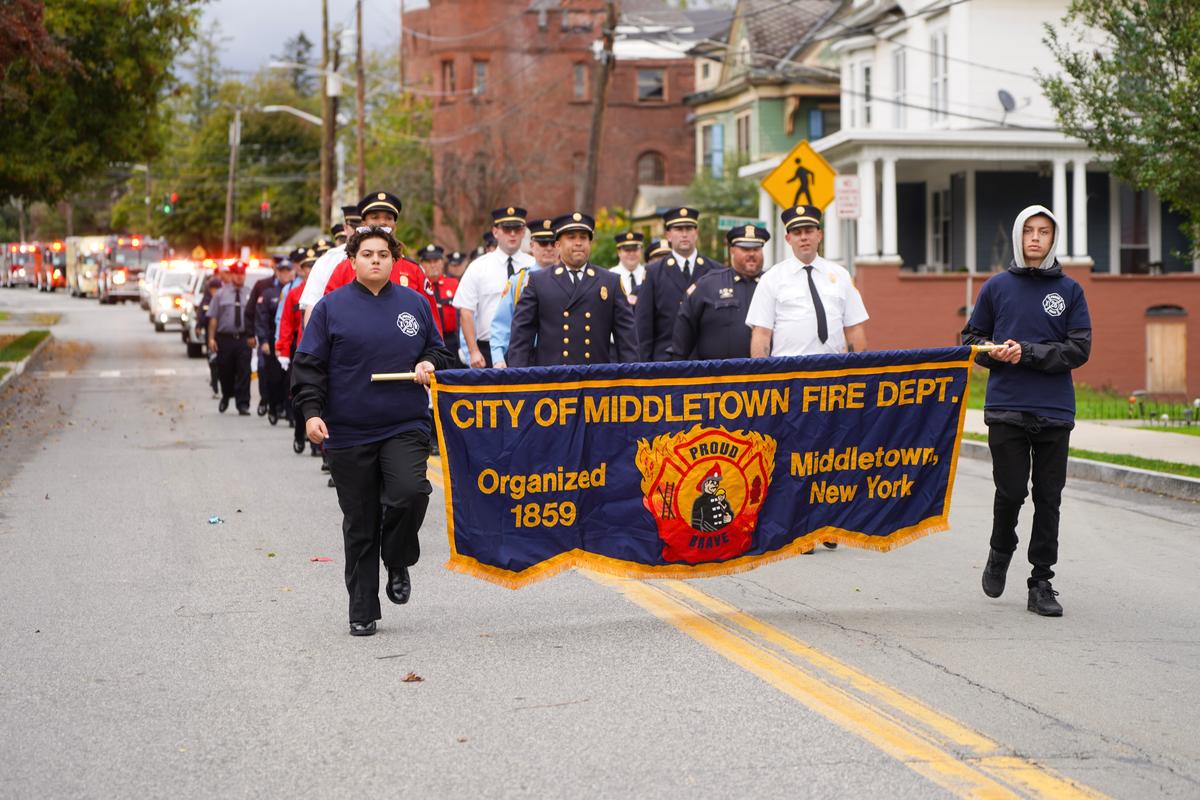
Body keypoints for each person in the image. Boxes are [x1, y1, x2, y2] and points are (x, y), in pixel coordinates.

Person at [292, 226, 456, 637]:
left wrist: (429, 363)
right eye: (367, 254)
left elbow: (439, 349)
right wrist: (312, 413)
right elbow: (309, 366)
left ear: (394, 259)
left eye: (384, 254)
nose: (376, 260)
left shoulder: (415, 303)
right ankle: (363, 608)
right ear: (353, 261)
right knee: (361, 520)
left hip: (404, 422)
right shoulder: (331, 308)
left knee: (410, 493)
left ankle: (397, 558)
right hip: (348, 430)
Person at [961, 205, 1091, 618]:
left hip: (1054, 409)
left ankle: (1041, 581)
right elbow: (971, 339)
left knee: (1049, 497)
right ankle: (1000, 552)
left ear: (1054, 240)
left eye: (1044, 232)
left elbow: (1079, 348)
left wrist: (1028, 352)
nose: (1036, 238)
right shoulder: (996, 287)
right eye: (1029, 231)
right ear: (1019, 237)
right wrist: (993, 352)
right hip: (1006, 408)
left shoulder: (1070, 291)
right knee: (1012, 491)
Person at [746, 205, 869, 554]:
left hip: (832, 377)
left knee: (831, 453)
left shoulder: (839, 275)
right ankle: (801, 526)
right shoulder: (774, 278)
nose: (803, 236)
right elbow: (761, 333)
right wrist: (761, 379)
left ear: (819, 235)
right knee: (794, 455)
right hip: (790, 378)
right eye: (797, 232)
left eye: (809, 230)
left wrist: (863, 372)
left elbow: (855, 328)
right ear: (787, 238)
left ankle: (826, 521)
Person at [506, 212, 638, 367]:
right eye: (571, 237)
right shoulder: (538, 282)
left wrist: (631, 382)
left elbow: (627, 342)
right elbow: (521, 338)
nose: (578, 243)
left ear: (590, 243)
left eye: (583, 237)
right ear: (557, 245)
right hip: (553, 381)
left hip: (596, 382)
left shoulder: (610, 282)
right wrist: (519, 382)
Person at [317, 193, 441, 330]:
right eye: (375, 217)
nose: (382, 222)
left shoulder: (413, 270)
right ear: (364, 223)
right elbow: (326, 316)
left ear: (395, 225)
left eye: (388, 218)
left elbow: (432, 323)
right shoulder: (345, 267)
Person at [635, 207, 722, 361]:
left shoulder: (715, 270)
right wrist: (644, 370)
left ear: (696, 232)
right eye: (678, 229)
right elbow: (644, 327)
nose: (684, 234)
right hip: (665, 362)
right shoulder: (653, 272)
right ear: (668, 235)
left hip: (706, 362)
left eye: (689, 228)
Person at [672, 225, 769, 361]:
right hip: (717, 377)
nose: (751, 254)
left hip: (767, 377)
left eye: (756, 249)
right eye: (745, 249)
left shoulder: (773, 283)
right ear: (732, 251)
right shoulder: (708, 284)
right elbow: (683, 337)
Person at [453, 206, 535, 368]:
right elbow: (466, 312)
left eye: (517, 229)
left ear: (524, 232)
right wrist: (473, 350)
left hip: (528, 348)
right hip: (486, 350)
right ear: (495, 232)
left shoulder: (533, 266)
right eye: (507, 229)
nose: (512, 234)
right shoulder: (478, 267)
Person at [490, 218, 557, 368]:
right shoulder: (519, 280)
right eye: (543, 243)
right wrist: (498, 357)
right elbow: (502, 322)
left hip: (558, 356)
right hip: (526, 357)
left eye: (553, 243)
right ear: (532, 246)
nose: (549, 248)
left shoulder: (569, 280)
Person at [297, 203, 362, 321]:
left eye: (364, 227)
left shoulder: (385, 258)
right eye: (356, 227)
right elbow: (312, 307)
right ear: (346, 228)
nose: (360, 232)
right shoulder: (328, 260)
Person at [206, 262, 254, 415]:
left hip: (243, 339)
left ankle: (243, 404)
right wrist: (211, 339)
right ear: (231, 275)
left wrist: (253, 336)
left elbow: (254, 317)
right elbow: (213, 318)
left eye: (242, 274)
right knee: (225, 371)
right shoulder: (221, 294)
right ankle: (226, 395)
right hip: (225, 339)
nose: (240, 277)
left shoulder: (249, 293)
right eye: (237, 274)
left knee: (244, 371)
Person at [254, 257, 296, 424]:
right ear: (277, 272)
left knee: (289, 378)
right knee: (274, 378)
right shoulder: (269, 293)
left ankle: (289, 411)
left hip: (291, 340)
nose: (285, 274)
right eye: (282, 271)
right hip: (273, 340)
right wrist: (263, 340)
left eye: (288, 270)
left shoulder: (297, 290)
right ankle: (273, 406)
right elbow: (261, 319)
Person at [418, 243, 462, 364]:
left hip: (453, 340)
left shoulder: (454, 284)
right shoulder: (419, 286)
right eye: (428, 261)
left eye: (436, 260)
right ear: (421, 264)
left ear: (442, 262)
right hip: (430, 341)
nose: (433, 265)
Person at [195, 275, 223, 397]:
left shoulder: (223, 299)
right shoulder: (206, 301)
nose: (214, 291)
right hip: (210, 336)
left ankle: (224, 385)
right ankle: (215, 386)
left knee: (223, 362)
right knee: (213, 361)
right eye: (212, 289)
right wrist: (198, 326)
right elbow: (201, 315)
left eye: (217, 288)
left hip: (223, 336)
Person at [611, 230, 645, 302]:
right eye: (627, 250)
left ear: (641, 250)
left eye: (635, 250)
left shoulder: (649, 274)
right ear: (618, 252)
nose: (632, 253)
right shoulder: (610, 276)